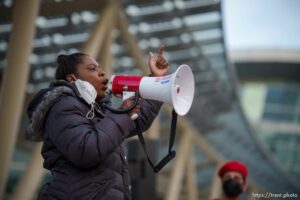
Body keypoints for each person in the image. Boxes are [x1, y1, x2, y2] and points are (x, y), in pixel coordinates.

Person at [25, 45, 169, 200]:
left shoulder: (96, 110)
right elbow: (86, 150)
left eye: (100, 68)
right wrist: (124, 114)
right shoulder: (62, 106)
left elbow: (138, 121)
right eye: (92, 68)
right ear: (72, 78)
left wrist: (155, 80)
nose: (102, 72)